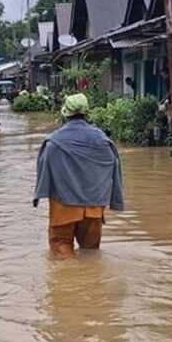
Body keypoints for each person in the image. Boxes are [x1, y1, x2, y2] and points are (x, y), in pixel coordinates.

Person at [33, 93, 124, 259]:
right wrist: (115, 200)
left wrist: (38, 198)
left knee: (62, 251)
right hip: (94, 207)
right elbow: (114, 171)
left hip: (63, 207)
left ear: (65, 113)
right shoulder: (104, 142)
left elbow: (44, 174)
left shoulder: (54, 142)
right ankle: (91, 284)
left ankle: (71, 284)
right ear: (87, 112)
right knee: (91, 254)